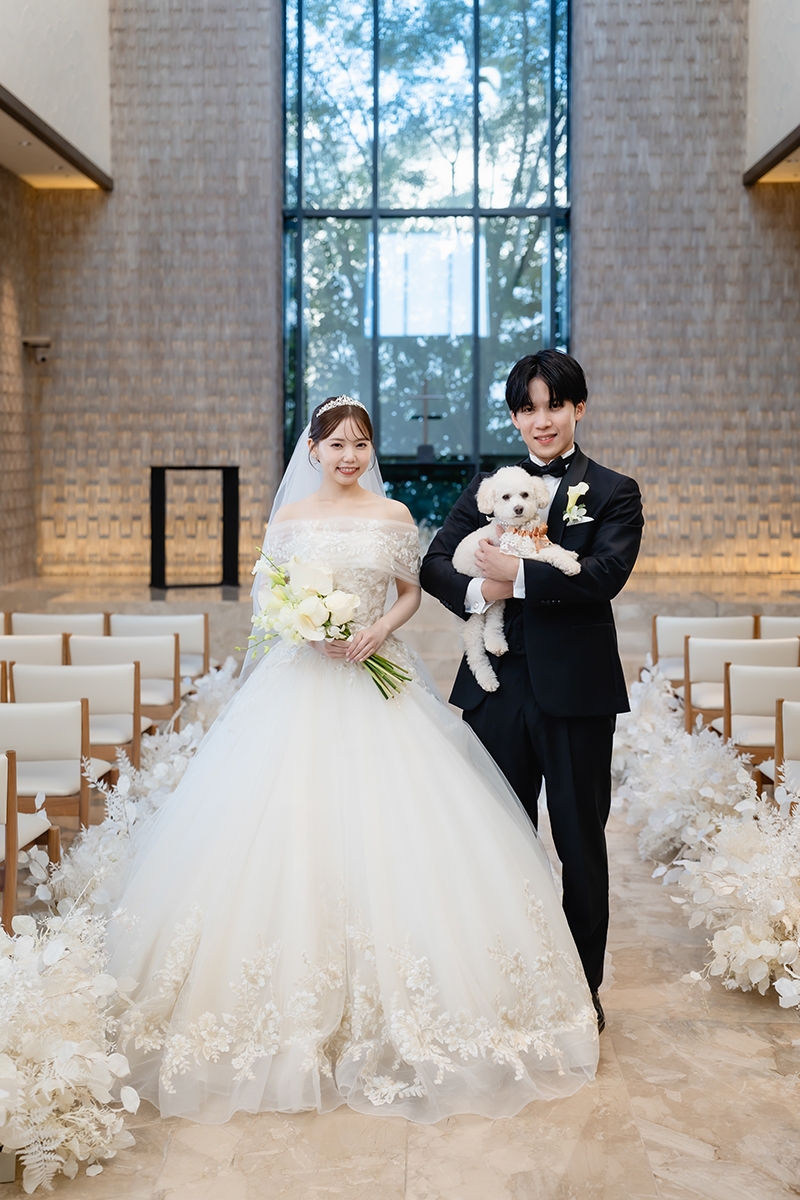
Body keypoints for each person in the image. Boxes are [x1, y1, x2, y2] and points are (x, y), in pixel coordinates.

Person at [106, 395, 598, 1126]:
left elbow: (410, 592)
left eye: (360, 444)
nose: (348, 455)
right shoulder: (289, 520)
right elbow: (268, 594)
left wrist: (375, 630)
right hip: (300, 680)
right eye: (335, 444)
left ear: (371, 451)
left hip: (375, 673)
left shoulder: (393, 516)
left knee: (401, 831)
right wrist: (301, 627)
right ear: (313, 451)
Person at [420, 351, 644, 1030]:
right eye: (528, 408)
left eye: (554, 406)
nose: (541, 420)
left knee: (580, 844)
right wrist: (479, 591)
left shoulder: (613, 490)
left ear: (579, 408)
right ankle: (501, 980)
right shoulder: (489, 486)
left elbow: (603, 575)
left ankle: (580, 989)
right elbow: (435, 563)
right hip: (495, 690)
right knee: (494, 838)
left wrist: (514, 577)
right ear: (515, 417)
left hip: (576, 692)